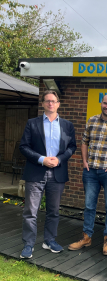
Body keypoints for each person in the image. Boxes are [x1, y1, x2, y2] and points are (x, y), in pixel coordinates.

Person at [19, 90, 77, 259]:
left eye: (53, 101)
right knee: (30, 211)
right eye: (47, 101)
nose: (50, 103)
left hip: (57, 174)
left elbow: (71, 147)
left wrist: (59, 159)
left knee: (53, 211)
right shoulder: (32, 123)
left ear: (58, 104)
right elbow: (24, 147)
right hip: (36, 172)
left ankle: (49, 240)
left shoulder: (67, 125)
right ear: (43, 104)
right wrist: (42, 159)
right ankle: (28, 244)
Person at [68, 94, 107, 256]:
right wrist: (85, 162)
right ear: (101, 103)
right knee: (89, 206)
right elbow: (84, 142)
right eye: (105, 104)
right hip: (91, 172)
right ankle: (86, 237)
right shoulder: (92, 121)